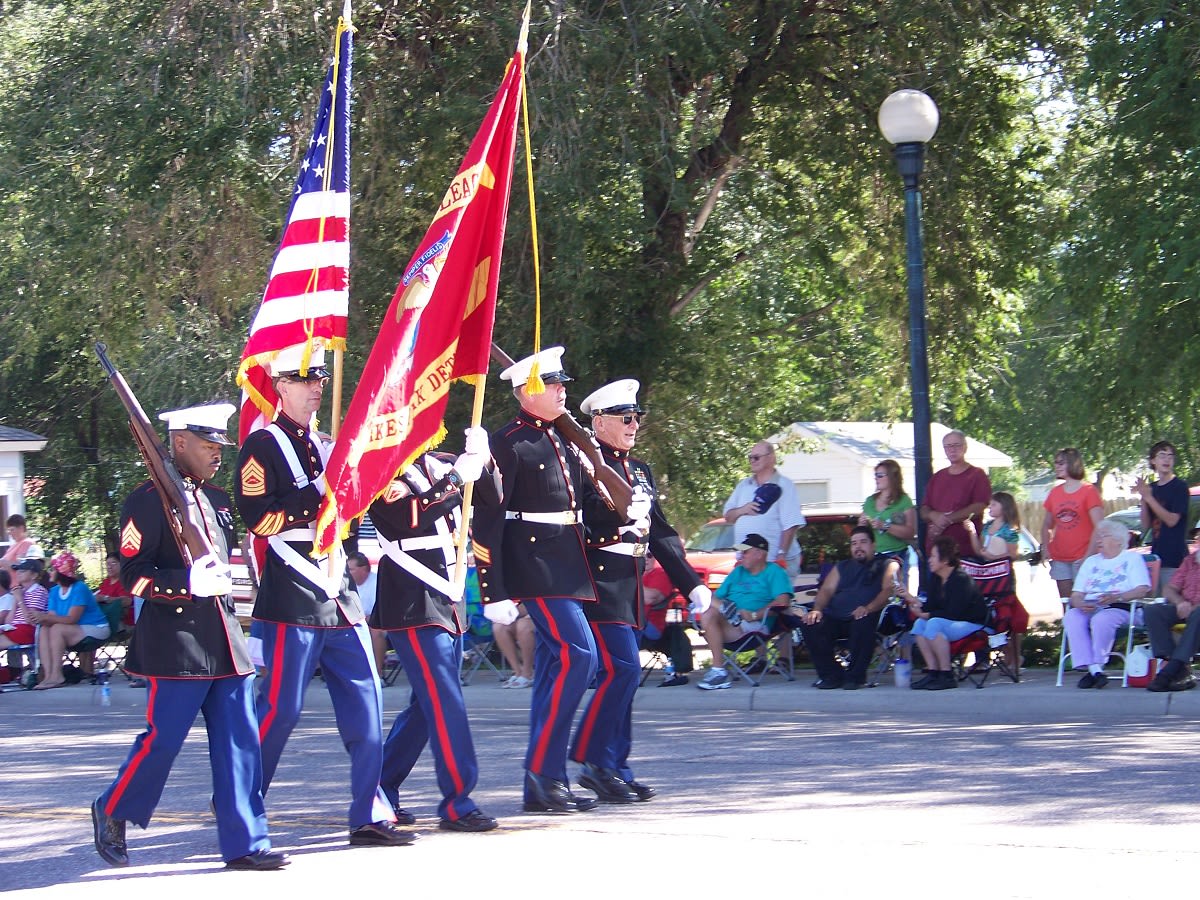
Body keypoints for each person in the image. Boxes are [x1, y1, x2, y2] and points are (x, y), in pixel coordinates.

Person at [91, 403, 288, 870]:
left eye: (219, 446)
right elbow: (133, 576)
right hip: (176, 642)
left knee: (240, 743)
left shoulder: (218, 500)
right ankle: (114, 806)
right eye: (207, 446)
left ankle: (246, 843)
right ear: (178, 443)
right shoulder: (145, 500)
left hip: (225, 641)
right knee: (164, 741)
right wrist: (185, 584)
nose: (217, 454)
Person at [235, 344, 410, 847]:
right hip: (292, 588)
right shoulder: (262, 446)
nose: (316, 387)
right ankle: (241, 797)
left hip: (337, 587)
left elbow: (358, 501)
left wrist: (383, 477)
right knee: (281, 709)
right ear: (281, 386)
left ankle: (369, 810)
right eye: (306, 380)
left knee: (366, 699)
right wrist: (319, 490)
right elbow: (260, 519)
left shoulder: (330, 442)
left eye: (320, 380)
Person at [472, 346, 604, 814]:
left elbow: (581, 501)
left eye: (562, 383)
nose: (562, 390)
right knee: (580, 656)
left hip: (567, 562)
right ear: (528, 391)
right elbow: (488, 518)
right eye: (553, 384)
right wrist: (492, 589)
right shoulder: (507, 443)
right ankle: (544, 771)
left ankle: (545, 781)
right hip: (534, 565)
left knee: (554, 669)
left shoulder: (563, 438)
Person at [568, 378, 713, 802]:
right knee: (624, 671)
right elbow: (580, 524)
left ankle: (615, 765)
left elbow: (660, 532)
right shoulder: (582, 465)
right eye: (625, 418)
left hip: (630, 586)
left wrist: (691, 583)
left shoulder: (640, 470)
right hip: (599, 582)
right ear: (599, 422)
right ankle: (594, 760)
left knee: (625, 680)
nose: (634, 425)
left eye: (636, 418)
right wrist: (619, 520)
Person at [367, 436, 500, 833]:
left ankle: (380, 785)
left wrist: (484, 461)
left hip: (447, 598)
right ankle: (458, 801)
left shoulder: (441, 462)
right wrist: (457, 478)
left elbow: (492, 499)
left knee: (427, 706)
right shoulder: (381, 469)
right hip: (413, 598)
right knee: (445, 700)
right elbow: (408, 517)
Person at [799, 525, 900, 690]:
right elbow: (826, 590)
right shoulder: (842, 567)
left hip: (867, 615)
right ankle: (831, 675)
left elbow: (887, 591)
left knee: (863, 621)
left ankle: (855, 677)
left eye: (863, 542)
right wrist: (816, 610)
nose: (858, 547)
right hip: (836, 616)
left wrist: (868, 608)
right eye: (854, 543)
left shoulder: (887, 564)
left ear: (873, 545)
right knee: (810, 624)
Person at [1063, 518, 1152, 689]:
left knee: (1102, 619)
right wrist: (1080, 603)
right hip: (1091, 606)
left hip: (1123, 607)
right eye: (1098, 536)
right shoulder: (1091, 561)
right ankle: (1094, 670)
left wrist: (1116, 597)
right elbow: (1076, 594)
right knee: (1072, 616)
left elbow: (1142, 589)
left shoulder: (1132, 559)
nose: (1098, 540)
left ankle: (1096, 667)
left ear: (1118, 540)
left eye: (1103, 536)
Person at [696, 533, 791, 691]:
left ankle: (718, 671)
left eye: (745, 552)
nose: (741, 555)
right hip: (729, 623)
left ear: (759, 554)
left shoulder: (775, 572)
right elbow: (716, 596)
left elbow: (783, 602)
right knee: (706, 601)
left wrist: (754, 615)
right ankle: (728, 613)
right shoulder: (738, 572)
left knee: (709, 613)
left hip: (754, 625)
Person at [898, 535, 988, 690]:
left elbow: (954, 613)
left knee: (934, 623)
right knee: (920, 624)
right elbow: (930, 606)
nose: (929, 560)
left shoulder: (961, 580)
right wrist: (910, 599)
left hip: (974, 624)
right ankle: (933, 672)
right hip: (952, 622)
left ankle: (947, 674)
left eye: (933, 556)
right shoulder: (936, 578)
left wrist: (926, 615)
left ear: (945, 560)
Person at [723, 441, 807, 578]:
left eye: (756, 457)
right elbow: (728, 517)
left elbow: (791, 524)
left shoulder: (784, 485)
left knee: (774, 593)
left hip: (773, 561)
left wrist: (781, 556)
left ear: (771, 458)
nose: (752, 461)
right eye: (750, 457)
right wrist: (742, 510)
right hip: (747, 560)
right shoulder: (743, 485)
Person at [30, 551, 110, 690]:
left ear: (61, 571)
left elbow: (73, 619)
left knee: (57, 629)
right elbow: (52, 617)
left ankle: (57, 675)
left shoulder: (79, 588)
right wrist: (39, 618)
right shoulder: (54, 591)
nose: (49, 572)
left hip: (96, 628)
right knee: (44, 629)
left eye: (52, 569)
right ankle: (48, 676)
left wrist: (46, 617)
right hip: (74, 629)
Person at [1041, 448, 1104, 597]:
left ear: (1073, 463)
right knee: (1066, 603)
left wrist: (1088, 556)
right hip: (1060, 557)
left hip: (1083, 556)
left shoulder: (1089, 491)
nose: (1057, 466)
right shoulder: (1055, 492)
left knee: (1085, 602)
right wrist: (1045, 547)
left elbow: (1100, 526)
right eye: (1056, 463)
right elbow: (1047, 524)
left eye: (1061, 463)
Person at [919, 430, 992, 558]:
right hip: (936, 554)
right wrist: (933, 515)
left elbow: (979, 507)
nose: (952, 449)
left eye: (956, 445)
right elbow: (924, 509)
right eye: (948, 446)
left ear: (965, 447)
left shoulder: (977, 475)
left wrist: (946, 520)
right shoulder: (937, 477)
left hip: (964, 552)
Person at [1143, 541, 1200, 692]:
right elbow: (1169, 588)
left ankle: (1170, 670)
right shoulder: (1191, 560)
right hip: (1185, 608)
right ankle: (1179, 670)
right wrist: (1180, 602)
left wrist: (1193, 608)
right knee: (1153, 611)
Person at [1135, 440, 1189, 592]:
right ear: (1153, 460)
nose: (1167, 460)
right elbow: (1146, 525)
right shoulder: (1151, 488)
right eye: (1162, 455)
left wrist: (1149, 498)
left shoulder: (1179, 487)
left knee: (1171, 601)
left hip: (1175, 559)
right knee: (1153, 602)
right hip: (1155, 557)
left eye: (1170, 456)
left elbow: (1172, 521)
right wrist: (1144, 498)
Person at [641, 554, 695, 685]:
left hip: (648, 626)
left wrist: (626, 584)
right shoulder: (634, 576)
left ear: (655, 558)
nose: (646, 558)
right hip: (629, 623)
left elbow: (651, 598)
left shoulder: (660, 574)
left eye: (649, 555)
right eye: (642, 554)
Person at [861, 458, 916, 576]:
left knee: (895, 587)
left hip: (897, 555)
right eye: (875, 475)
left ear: (892, 477)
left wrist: (884, 526)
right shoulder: (870, 501)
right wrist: (862, 524)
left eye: (880, 475)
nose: (876, 478)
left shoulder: (904, 501)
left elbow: (910, 532)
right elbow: (861, 531)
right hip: (874, 556)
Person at [347, 552, 388, 676]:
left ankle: (377, 673)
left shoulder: (376, 582)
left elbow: (380, 610)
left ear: (364, 569)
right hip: (356, 622)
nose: (347, 573)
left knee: (375, 631)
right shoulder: (347, 585)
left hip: (379, 622)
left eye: (351, 569)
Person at [0, 558, 48, 654]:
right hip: (13, 628)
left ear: (34, 575)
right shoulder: (20, 591)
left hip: (28, 630)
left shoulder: (39, 591)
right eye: (18, 570)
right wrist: (16, 600)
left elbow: (31, 620)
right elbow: (8, 621)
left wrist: (20, 599)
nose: (18, 573)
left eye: (23, 571)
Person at [493, 609, 535, 688]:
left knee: (523, 626)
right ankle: (518, 671)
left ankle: (528, 673)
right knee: (499, 627)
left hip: (541, 615)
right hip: (518, 616)